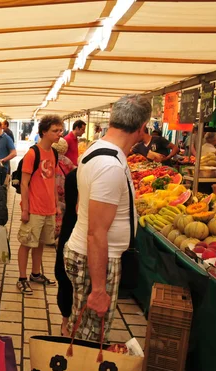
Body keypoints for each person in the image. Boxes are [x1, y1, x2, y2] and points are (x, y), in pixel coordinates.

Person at [65, 94, 151, 342]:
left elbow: (83, 204)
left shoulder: (96, 150)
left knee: (81, 328)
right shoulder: (109, 165)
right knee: (89, 337)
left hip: (90, 255)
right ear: (142, 127)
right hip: (97, 260)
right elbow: (96, 232)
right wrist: (99, 290)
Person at [16, 115, 62, 295]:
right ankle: (21, 278)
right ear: (44, 132)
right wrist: (25, 209)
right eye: (55, 131)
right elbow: (24, 183)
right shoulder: (32, 154)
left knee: (41, 243)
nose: (59, 134)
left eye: (60, 130)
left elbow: (52, 181)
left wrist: (56, 205)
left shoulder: (54, 153)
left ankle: (35, 273)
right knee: (26, 243)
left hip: (49, 208)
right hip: (34, 208)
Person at [55, 168, 78, 336]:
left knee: (65, 278)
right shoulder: (74, 177)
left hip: (69, 230)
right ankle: (66, 321)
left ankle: (66, 321)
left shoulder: (72, 176)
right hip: (73, 231)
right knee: (65, 279)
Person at [52, 138, 76, 237]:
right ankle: (58, 231)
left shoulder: (51, 158)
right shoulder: (67, 161)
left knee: (53, 209)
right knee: (61, 211)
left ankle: (51, 231)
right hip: (63, 188)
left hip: (52, 188)